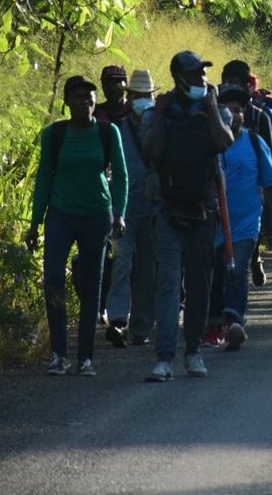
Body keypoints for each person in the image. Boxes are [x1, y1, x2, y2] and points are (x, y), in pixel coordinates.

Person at [26, 75, 128, 376]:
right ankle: (59, 354)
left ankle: (86, 358)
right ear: (67, 102)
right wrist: (34, 223)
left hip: (97, 215)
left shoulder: (109, 133)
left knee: (90, 286)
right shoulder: (54, 134)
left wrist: (119, 214)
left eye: (90, 97)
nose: (86, 101)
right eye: (80, 97)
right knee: (54, 278)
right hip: (60, 214)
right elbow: (44, 178)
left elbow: (121, 177)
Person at [141, 51, 234, 381]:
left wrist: (210, 110)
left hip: (204, 211)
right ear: (178, 77)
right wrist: (163, 111)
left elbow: (225, 143)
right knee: (168, 286)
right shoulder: (157, 114)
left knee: (199, 286)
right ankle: (164, 357)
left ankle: (192, 352)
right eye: (195, 74)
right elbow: (152, 151)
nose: (202, 80)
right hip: (167, 211)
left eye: (203, 74)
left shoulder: (216, 110)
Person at [213, 87, 272, 351]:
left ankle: (234, 322)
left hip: (245, 222)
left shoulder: (255, 143)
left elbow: (270, 184)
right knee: (216, 272)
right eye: (229, 109)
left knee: (238, 268)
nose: (235, 114)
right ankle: (213, 323)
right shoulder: (209, 143)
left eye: (239, 109)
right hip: (213, 223)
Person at [104, 69, 158, 348]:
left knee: (148, 268)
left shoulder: (160, 128)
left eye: (145, 96)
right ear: (129, 98)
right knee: (122, 264)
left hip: (153, 208)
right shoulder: (117, 130)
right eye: (136, 96)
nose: (141, 100)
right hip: (123, 207)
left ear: (153, 97)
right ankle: (117, 320)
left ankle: (141, 326)